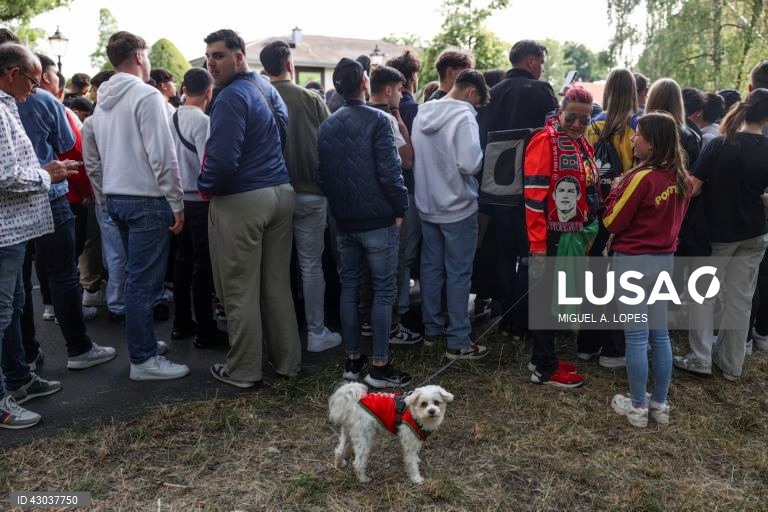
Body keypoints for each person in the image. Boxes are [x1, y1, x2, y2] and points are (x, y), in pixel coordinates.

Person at [200, 29, 300, 388]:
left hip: (244, 198)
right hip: (279, 192)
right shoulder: (266, 87)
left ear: (239, 57)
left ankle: (243, 370)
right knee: (276, 285)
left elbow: (222, 160)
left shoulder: (230, 97)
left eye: (219, 55)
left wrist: (205, 187)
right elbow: (282, 134)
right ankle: (287, 362)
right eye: (208, 55)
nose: (211, 62)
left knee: (239, 290)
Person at [91, 31, 188, 380]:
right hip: (146, 198)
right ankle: (143, 359)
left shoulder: (103, 99)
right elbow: (163, 155)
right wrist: (176, 201)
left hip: (117, 196)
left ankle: (141, 343)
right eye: (146, 55)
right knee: (144, 283)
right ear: (138, 56)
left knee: (136, 279)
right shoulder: (147, 97)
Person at [16, 49, 116, 372]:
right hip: (49, 192)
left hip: (13, 202)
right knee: (62, 271)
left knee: (18, 282)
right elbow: (65, 141)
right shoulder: (43, 101)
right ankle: (78, 347)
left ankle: (27, 355)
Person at [317, 57, 410, 388]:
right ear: (364, 84)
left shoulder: (327, 125)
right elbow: (390, 171)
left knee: (351, 289)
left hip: (345, 220)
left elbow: (323, 176)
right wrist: (401, 207)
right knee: (383, 290)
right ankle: (380, 366)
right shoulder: (380, 120)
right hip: (377, 219)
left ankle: (353, 360)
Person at [0, 43, 74, 428]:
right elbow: (5, 175)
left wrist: (46, 170)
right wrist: (49, 175)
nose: (37, 87)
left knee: (11, 310)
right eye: (33, 79)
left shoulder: (8, 104)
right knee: (2, 314)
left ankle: (18, 380)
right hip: (4, 232)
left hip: (13, 230)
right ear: (12, 74)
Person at [603, 112, 691, 428]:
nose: (632, 139)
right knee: (661, 335)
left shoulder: (641, 177)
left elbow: (612, 221)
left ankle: (638, 406)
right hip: (664, 261)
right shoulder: (682, 177)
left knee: (637, 338)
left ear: (651, 143)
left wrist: (615, 189)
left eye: (637, 134)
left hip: (633, 263)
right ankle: (660, 404)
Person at [676, 88, 768, 381]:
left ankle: (700, 356)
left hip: (718, 233)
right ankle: (731, 363)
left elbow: (695, 186)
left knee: (703, 294)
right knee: (741, 298)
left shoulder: (720, 144)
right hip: (755, 232)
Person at [259, 40, 341, 352]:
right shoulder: (310, 98)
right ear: (290, 64)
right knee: (311, 265)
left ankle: (280, 334)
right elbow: (329, 143)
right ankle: (316, 332)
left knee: (275, 267)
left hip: (271, 193)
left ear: (265, 68)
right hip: (311, 192)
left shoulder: (259, 97)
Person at [477, 39, 558, 340]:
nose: (542, 68)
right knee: (528, 254)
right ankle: (521, 322)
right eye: (542, 62)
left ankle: (502, 313)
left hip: (494, 188)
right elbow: (554, 136)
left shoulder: (491, 93)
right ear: (532, 61)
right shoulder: (541, 91)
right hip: (530, 188)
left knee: (502, 252)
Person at [523, 86, 599, 388]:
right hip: (551, 237)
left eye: (585, 120)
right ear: (560, 111)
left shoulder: (580, 142)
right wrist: (538, 244)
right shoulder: (546, 142)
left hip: (572, 234)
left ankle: (544, 356)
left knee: (555, 298)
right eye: (572, 118)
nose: (578, 125)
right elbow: (532, 198)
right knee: (544, 299)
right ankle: (544, 368)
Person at [412, 69, 491, 360]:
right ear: (472, 92)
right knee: (458, 273)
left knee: (430, 270)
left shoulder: (422, 113)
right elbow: (470, 163)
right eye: (478, 101)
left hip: (427, 204)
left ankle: (432, 331)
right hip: (457, 206)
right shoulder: (464, 115)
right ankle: (458, 339)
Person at [578, 68, 639, 369]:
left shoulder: (591, 125)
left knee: (594, 279)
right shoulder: (637, 128)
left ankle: (586, 345)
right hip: (623, 212)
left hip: (592, 211)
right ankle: (613, 351)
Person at [168, 67, 219, 349]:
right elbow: (206, 166)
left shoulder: (171, 116)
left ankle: (181, 323)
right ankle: (205, 330)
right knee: (202, 267)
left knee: (181, 262)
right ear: (208, 92)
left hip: (177, 199)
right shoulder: (202, 121)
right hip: (199, 201)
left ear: (184, 89)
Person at [386, 51, 424, 333]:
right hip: (410, 188)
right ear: (412, 78)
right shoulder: (413, 110)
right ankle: (401, 311)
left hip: (386, 192)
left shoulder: (380, 109)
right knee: (406, 254)